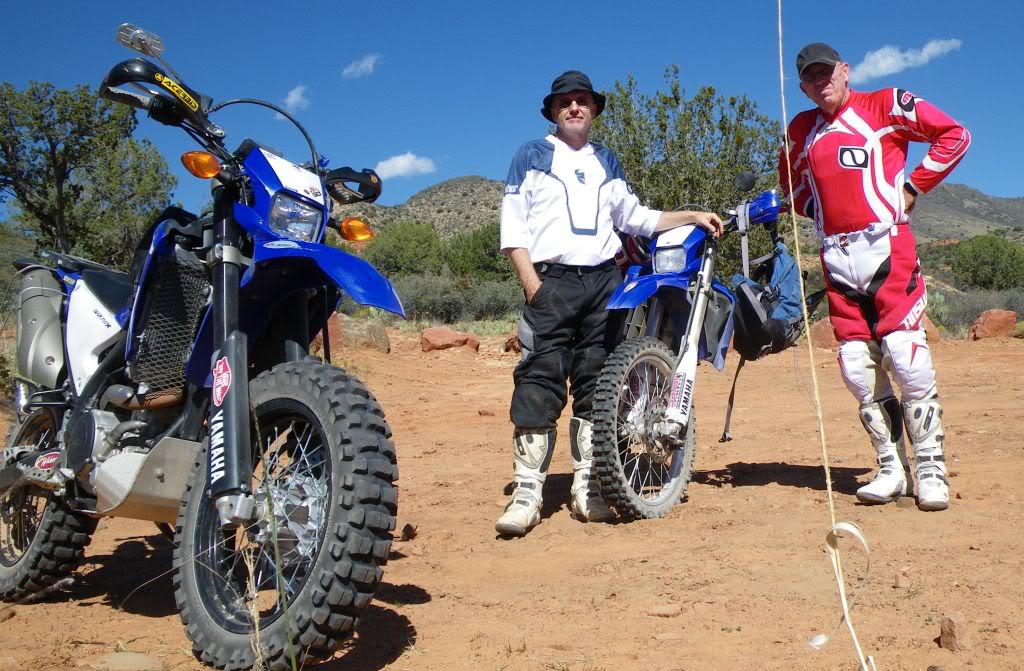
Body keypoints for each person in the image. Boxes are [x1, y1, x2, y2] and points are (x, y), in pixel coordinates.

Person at [496, 70, 722, 536]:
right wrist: (532, 285)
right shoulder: (532, 155)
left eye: (582, 100)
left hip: (605, 285)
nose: (574, 107)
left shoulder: (607, 160)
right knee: (538, 379)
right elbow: (513, 226)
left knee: (596, 384)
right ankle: (527, 491)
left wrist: (692, 214)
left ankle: (587, 486)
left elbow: (636, 218)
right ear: (553, 111)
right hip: (550, 282)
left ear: (594, 109)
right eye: (565, 102)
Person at [779, 43, 970, 511]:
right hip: (835, 255)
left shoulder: (884, 104)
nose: (820, 82)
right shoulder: (801, 127)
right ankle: (891, 467)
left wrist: (912, 186)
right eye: (810, 77)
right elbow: (793, 185)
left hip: (886, 245)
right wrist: (811, 209)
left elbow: (954, 135)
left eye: (827, 72)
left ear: (845, 71)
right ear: (802, 86)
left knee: (906, 356)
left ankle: (931, 470)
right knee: (856, 368)